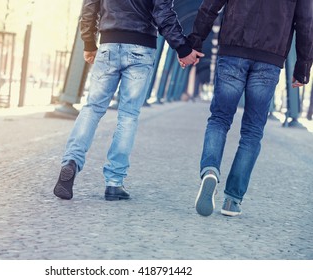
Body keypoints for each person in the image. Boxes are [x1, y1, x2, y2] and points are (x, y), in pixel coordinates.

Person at [54, 0, 204, 201]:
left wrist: (89, 42)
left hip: (108, 43)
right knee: (128, 116)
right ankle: (114, 183)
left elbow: (90, 6)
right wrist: (183, 49)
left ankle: (71, 161)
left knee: (92, 108)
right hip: (141, 48)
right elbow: (163, 13)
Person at [186, 0, 313, 216]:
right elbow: (306, 23)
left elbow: (210, 6)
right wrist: (302, 67)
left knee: (219, 119)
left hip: (233, 51)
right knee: (252, 132)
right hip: (269, 58)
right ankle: (232, 200)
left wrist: (196, 41)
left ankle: (210, 170)